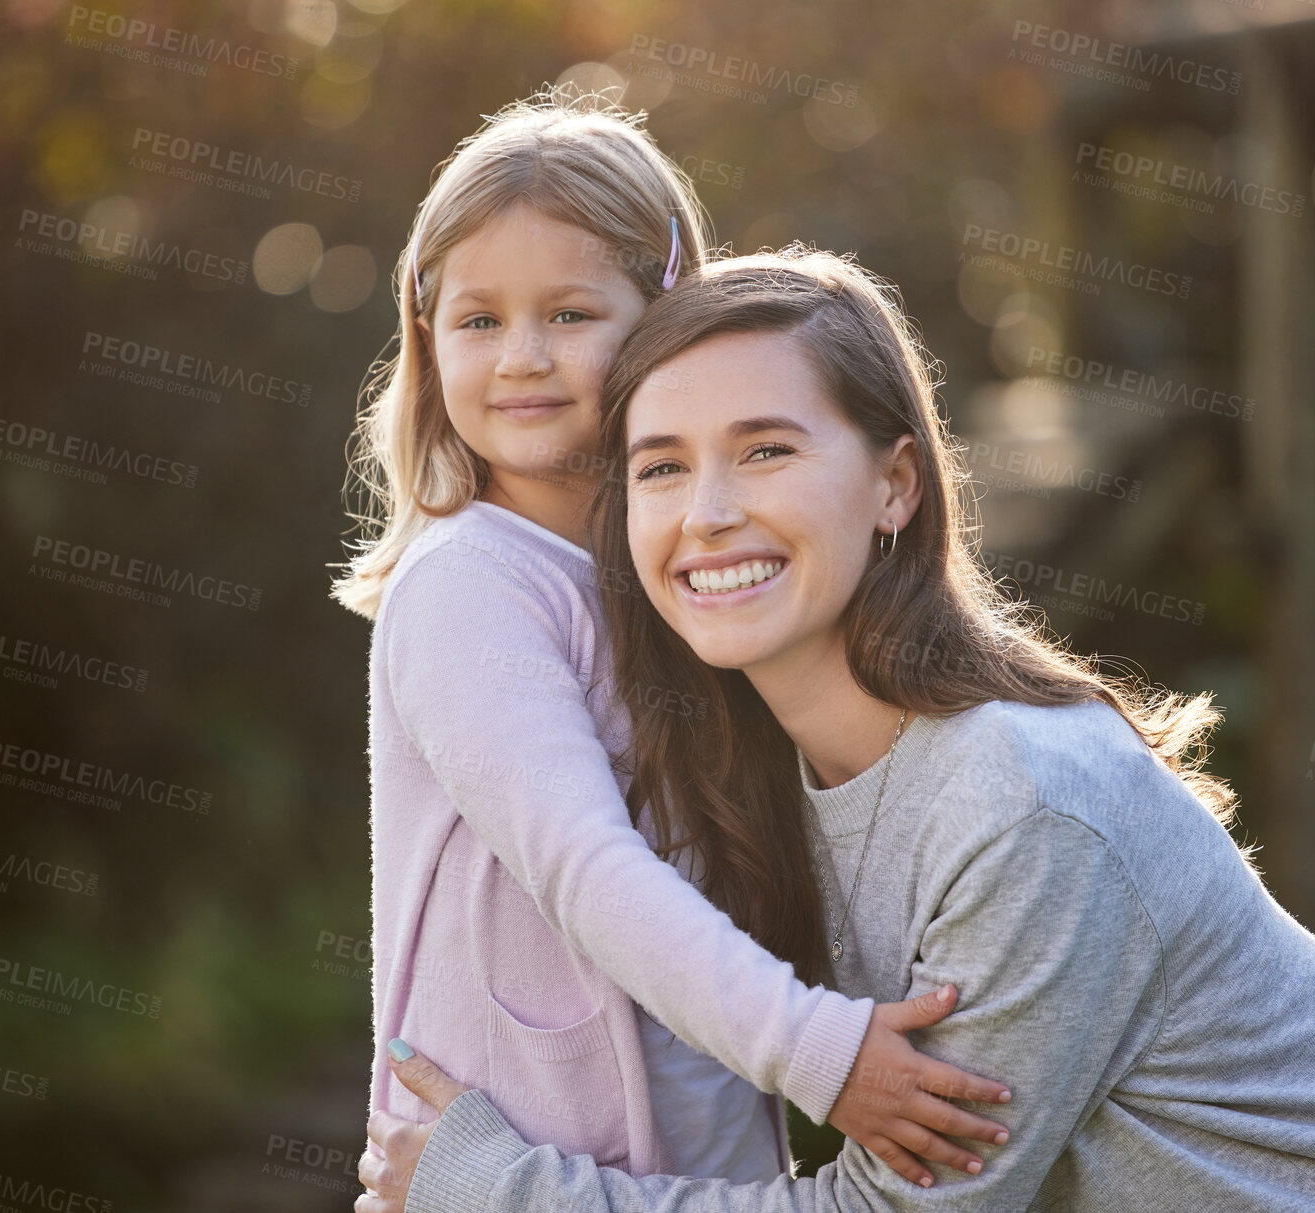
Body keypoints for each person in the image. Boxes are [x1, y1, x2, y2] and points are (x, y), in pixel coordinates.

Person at [360, 248, 1315, 1211]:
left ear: (896, 484)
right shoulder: (768, 783)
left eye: (767, 449)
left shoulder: (1022, 807)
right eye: (661, 467)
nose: (709, 514)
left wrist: (493, 1189)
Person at [331, 94, 1013, 1193]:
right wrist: (819, 1053)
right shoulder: (465, 589)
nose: (521, 358)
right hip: (512, 1158)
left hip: (693, 1153)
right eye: (477, 320)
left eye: (568, 313)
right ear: (425, 337)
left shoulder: (684, 572)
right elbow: (581, 862)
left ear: (660, 318)